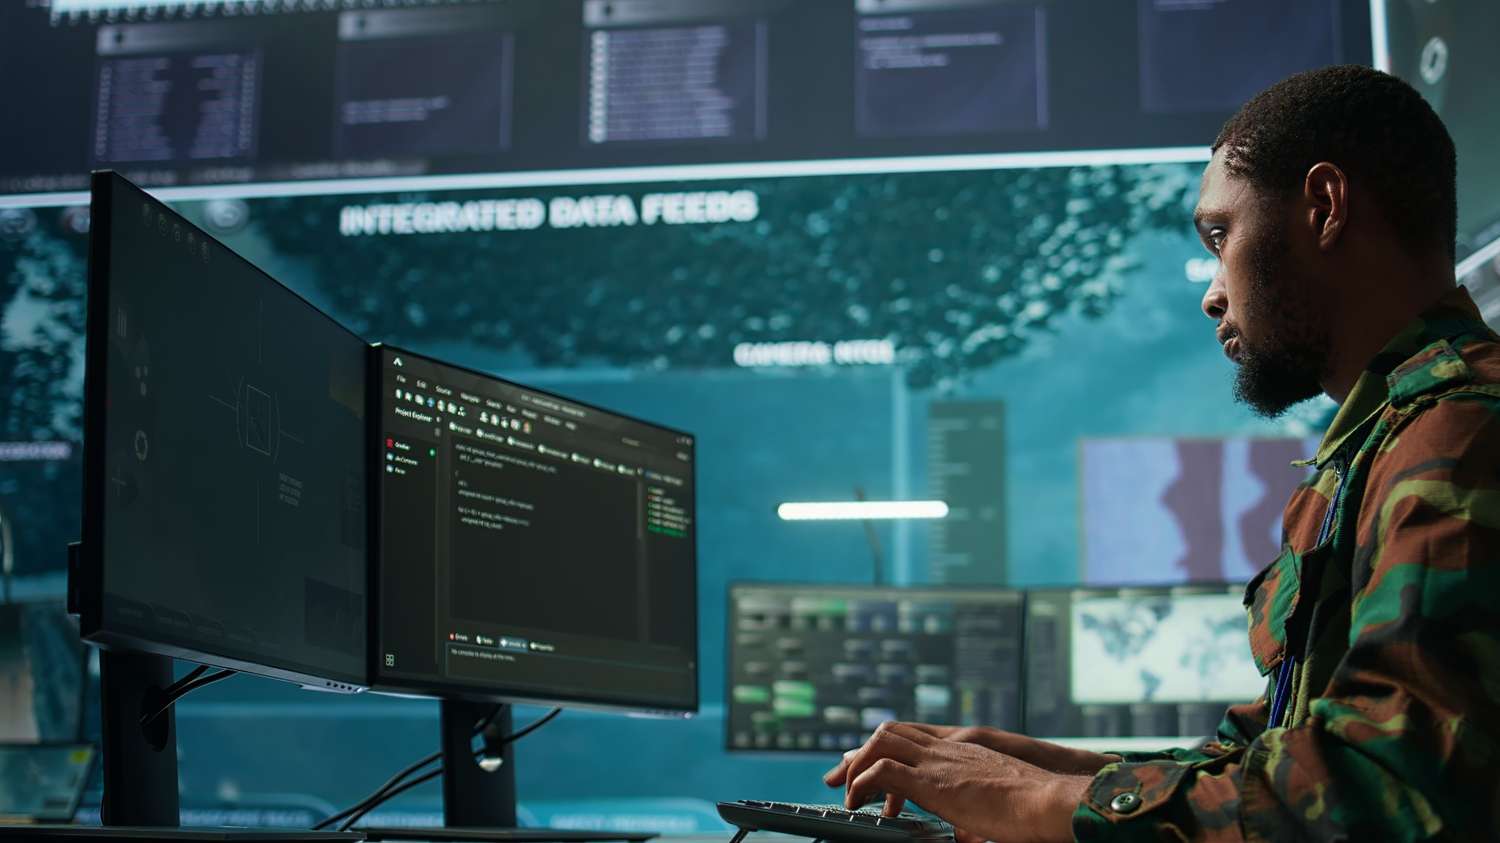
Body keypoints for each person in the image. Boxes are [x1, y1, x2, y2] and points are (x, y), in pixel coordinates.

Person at [824, 64, 1500, 842]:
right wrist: (1043, 770)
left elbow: (1386, 790)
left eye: (1221, 236)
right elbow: (1275, 755)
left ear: (1323, 207)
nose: (1212, 292)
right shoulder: (1384, 442)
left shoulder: (1462, 434)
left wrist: (1038, 803)